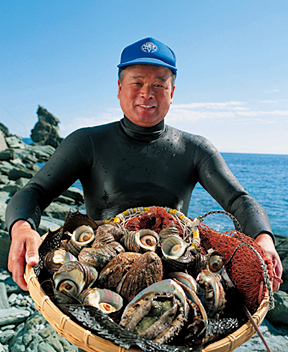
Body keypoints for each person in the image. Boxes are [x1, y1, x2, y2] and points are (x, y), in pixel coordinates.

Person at [6, 37, 282, 297]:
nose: (146, 94)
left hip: (172, 282)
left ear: (171, 92)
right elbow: (36, 191)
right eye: (136, 83)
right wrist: (21, 227)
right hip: (99, 281)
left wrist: (263, 238)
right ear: (119, 89)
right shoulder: (86, 142)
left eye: (159, 85)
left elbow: (239, 200)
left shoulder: (195, 149)